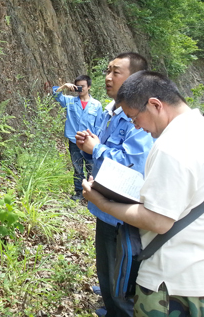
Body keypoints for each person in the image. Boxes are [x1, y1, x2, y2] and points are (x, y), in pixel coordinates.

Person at [83, 71, 204, 317]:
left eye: (134, 117)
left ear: (155, 105)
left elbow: (158, 220)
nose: (136, 126)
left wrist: (101, 202)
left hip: (171, 285)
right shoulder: (197, 128)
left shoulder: (171, 146)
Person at [75, 52, 154, 317]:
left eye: (116, 72)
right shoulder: (110, 111)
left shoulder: (139, 117)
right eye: (107, 71)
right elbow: (101, 149)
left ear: (135, 79)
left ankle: (118, 309)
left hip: (124, 208)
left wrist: (96, 148)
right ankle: (110, 304)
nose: (108, 77)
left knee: (123, 270)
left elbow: (133, 163)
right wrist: (88, 147)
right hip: (105, 203)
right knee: (106, 261)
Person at [53, 75, 103, 200]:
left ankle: (92, 193)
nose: (80, 89)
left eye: (83, 86)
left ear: (89, 87)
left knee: (92, 167)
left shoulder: (96, 105)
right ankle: (79, 192)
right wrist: (64, 86)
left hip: (90, 142)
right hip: (74, 141)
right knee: (77, 167)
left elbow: (99, 125)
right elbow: (55, 95)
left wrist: (97, 142)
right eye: (77, 86)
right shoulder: (70, 101)